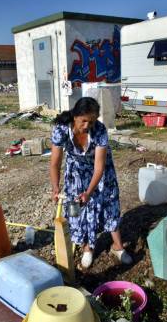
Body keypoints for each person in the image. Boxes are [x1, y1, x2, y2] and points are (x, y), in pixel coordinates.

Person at [49, 97, 132, 268]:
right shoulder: (61, 129)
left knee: (109, 204)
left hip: (101, 171)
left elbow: (99, 168)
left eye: (91, 121)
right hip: (76, 172)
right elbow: (55, 163)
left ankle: (117, 247)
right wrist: (56, 188)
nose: (87, 126)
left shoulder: (100, 130)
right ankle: (87, 247)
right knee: (76, 208)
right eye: (84, 121)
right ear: (75, 116)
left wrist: (89, 192)